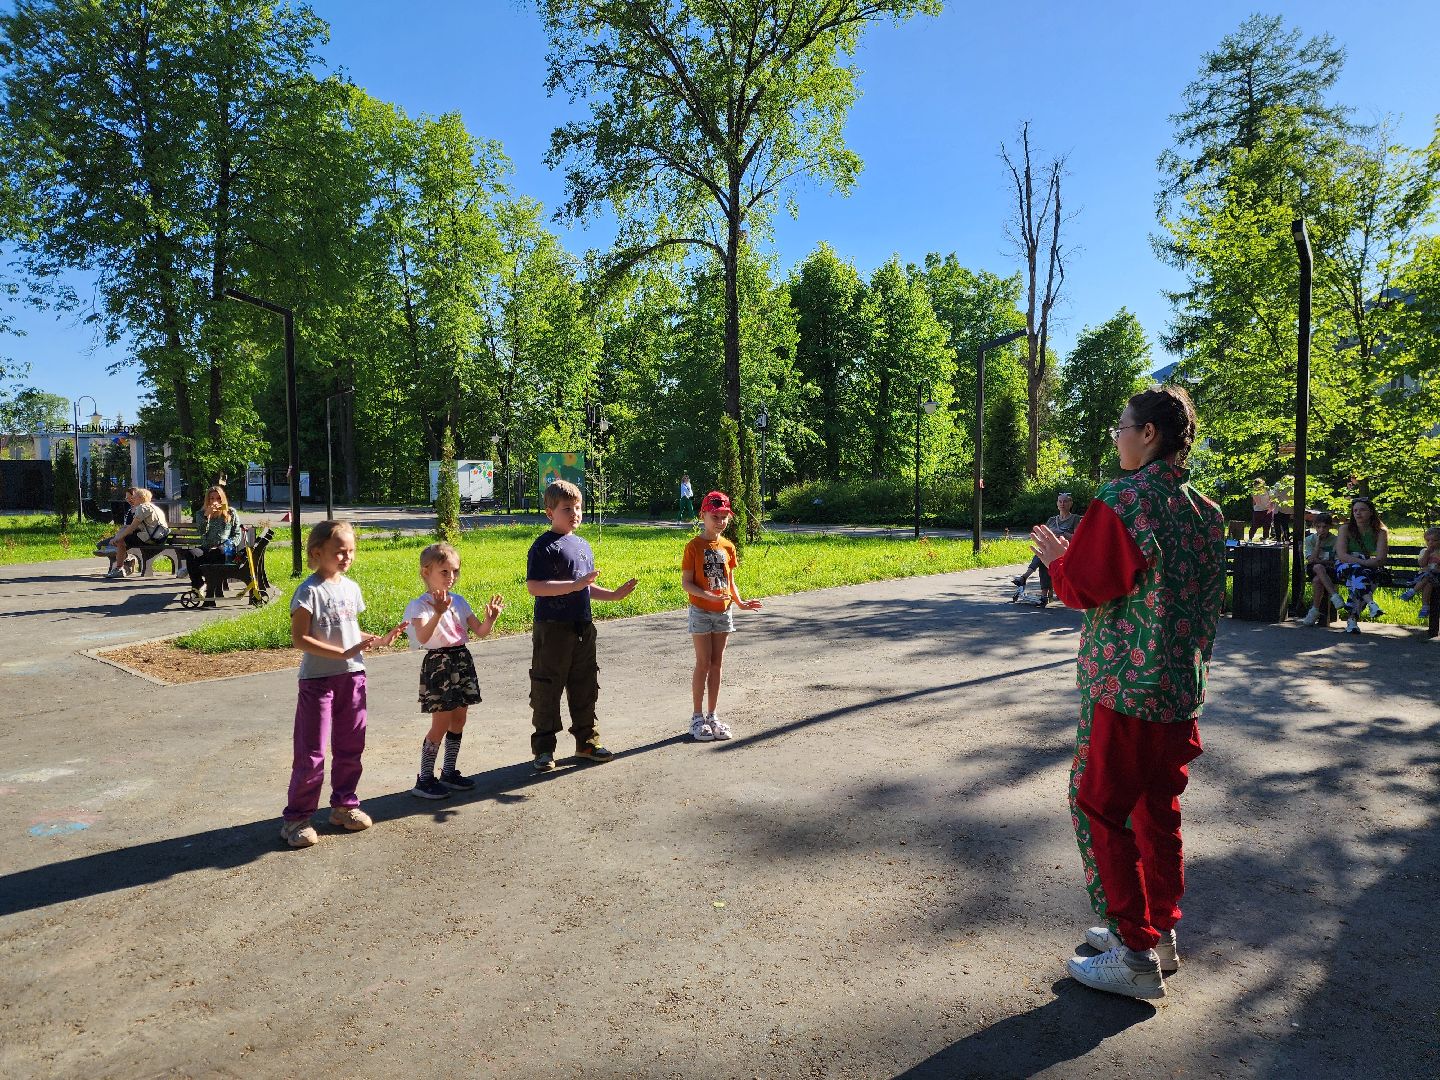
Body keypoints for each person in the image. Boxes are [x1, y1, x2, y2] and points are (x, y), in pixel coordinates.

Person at [1030, 385, 1226, 1001]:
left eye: (1122, 425)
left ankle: (1134, 950)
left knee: (1100, 806)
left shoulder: (1124, 500)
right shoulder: (1206, 511)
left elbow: (1084, 588)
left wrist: (1061, 561)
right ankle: (1158, 931)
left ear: (1150, 435)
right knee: (1157, 808)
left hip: (1124, 686)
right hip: (1178, 686)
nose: (1116, 435)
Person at [280, 520, 407, 849]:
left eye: (351, 551)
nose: (346, 556)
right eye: (339, 551)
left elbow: (351, 632)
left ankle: (344, 806)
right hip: (317, 681)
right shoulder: (309, 591)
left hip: (353, 676)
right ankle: (296, 819)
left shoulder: (350, 588)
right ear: (317, 552)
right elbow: (300, 638)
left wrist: (377, 641)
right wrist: (341, 651)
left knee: (351, 747)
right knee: (311, 753)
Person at [525, 480, 637, 772]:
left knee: (585, 685)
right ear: (550, 512)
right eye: (567, 509)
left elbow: (586, 588)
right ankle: (544, 749)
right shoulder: (543, 546)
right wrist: (574, 585)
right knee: (547, 688)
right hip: (552, 629)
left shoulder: (583, 544)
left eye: (578, 508)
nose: (575, 513)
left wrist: (612, 595)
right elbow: (535, 587)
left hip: (582, 628)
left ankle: (586, 742)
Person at [403, 542, 504, 799]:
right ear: (426, 572)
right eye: (444, 571)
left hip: (461, 660)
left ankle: (448, 772)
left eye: (455, 571)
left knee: (459, 719)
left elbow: (480, 631)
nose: (451, 577)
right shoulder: (420, 605)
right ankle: (424, 779)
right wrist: (438, 613)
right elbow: (424, 637)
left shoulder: (459, 601)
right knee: (441, 723)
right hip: (439, 664)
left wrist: (491, 618)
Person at [681, 490, 763, 741]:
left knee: (717, 665)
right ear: (702, 515)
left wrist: (739, 602)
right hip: (701, 612)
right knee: (703, 663)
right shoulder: (694, 546)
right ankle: (697, 717)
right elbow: (686, 583)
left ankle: (712, 715)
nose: (720, 521)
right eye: (715, 515)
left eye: (725, 516)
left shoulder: (728, 546)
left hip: (723, 612)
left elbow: (730, 580)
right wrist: (707, 596)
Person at [1012, 492, 1079, 605]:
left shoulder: (1075, 519)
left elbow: (1077, 538)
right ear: (1057, 504)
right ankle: (1043, 595)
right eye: (1060, 501)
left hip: (1067, 550)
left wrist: (1061, 533)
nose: (1062, 504)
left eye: (1065, 501)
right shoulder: (1052, 520)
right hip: (1051, 550)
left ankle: (1026, 578)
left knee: (1046, 556)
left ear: (1070, 503)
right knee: (1045, 556)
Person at [1334, 497, 1389, 634]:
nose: (1358, 513)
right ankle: (1371, 603)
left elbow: (1381, 559)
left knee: (1361, 578)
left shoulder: (1380, 532)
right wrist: (1364, 563)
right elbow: (1342, 555)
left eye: (1362, 510)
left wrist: (1365, 563)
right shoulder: (1345, 529)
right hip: (1345, 565)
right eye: (1355, 510)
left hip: (1366, 565)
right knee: (1361, 575)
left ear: (1371, 512)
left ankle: (1352, 620)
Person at [184, 485, 242, 607]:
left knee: (217, 553)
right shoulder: (201, 514)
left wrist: (228, 544)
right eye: (212, 498)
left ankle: (210, 590)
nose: (215, 501)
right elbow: (201, 532)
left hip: (225, 548)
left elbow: (237, 535)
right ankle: (198, 585)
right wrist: (207, 517)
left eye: (218, 498)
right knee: (191, 554)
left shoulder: (230, 512)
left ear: (223, 499)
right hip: (207, 547)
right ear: (208, 500)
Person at [104, 487, 169, 578]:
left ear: (141, 498)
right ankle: (126, 560)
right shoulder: (153, 507)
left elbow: (132, 527)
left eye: (135, 497)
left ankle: (119, 568)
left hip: (152, 538)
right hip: (160, 537)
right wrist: (119, 534)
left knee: (121, 541)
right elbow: (131, 526)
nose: (132, 498)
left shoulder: (142, 508)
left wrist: (118, 538)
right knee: (123, 535)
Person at [1298, 512, 1341, 625]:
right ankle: (1334, 595)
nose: (1321, 530)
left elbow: (1335, 561)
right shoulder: (1310, 540)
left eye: (1325, 527)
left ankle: (1314, 611)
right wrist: (1318, 544)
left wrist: (1320, 561)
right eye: (1318, 527)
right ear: (1315, 527)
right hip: (1313, 569)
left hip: (1330, 569)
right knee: (1317, 567)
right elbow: (1311, 560)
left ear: (1330, 527)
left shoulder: (1336, 540)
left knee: (1318, 579)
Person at [1399, 527, 1440, 621]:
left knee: (1429, 577)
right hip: (1423, 577)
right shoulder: (1424, 551)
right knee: (1428, 581)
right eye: (1428, 540)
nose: (1431, 543)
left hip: (1437, 577)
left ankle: (1412, 592)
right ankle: (1425, 607)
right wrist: (1427, 553)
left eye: (1435, 540)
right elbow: (1422, 564)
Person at [1270, 477, 1294, 543]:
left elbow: (1272, 495)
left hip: (1279, 509)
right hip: (1288, 510)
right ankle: (1286, 540)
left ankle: (1278, 540)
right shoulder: (1292, 488)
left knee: (1277, 525)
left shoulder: (1279, 486)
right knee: (1285, 525)